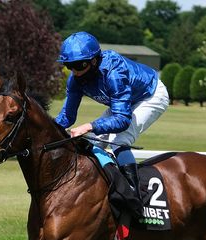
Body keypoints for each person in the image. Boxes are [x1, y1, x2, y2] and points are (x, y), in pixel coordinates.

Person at [55, 32, 170, 196]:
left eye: (79, 65)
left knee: (119, 140)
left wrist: (89, 126)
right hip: (122, 103)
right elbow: (67, 116)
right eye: (69, 66)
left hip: (151, 95)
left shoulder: (113, 72)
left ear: (94, 61)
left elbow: (122, 119)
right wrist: (47, 129)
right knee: (92, 143)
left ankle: (134, 194)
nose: (75, 72)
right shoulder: (75, 80)